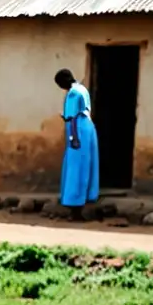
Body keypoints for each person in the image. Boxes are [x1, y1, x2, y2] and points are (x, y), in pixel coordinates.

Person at [55, 68, 100, 217]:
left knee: (76, 166)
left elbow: (72, 117)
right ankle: (87, 197)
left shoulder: (73, 93)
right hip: (88, 128)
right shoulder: (83, 89)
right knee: (87, 164)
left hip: (77, 129)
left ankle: (75, 205)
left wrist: (74, 137)